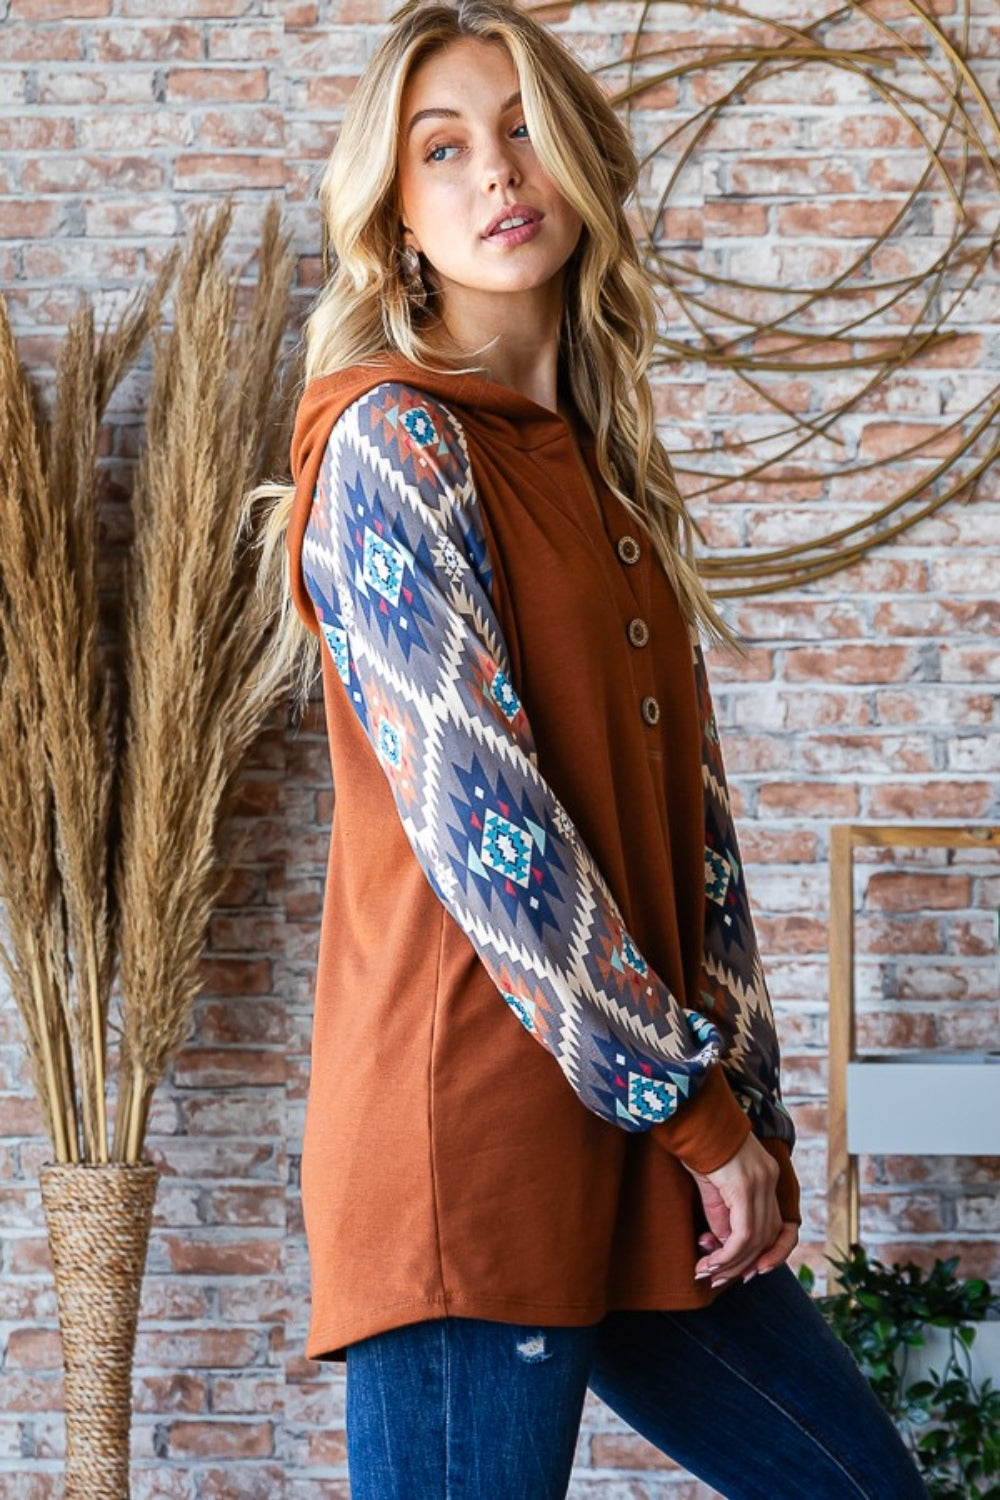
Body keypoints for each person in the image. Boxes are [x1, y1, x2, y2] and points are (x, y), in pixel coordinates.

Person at [259, 1, 931, 1494]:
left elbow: (697, 854)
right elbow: (498, 850)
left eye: (522, 129)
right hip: (474, 1163)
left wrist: (745, 1122)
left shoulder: (608, 488)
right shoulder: (392, 445)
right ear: (396, 215)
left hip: (641, 1149)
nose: (497, 173)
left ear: (581, 162)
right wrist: (701, 1120)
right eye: (444, 150)